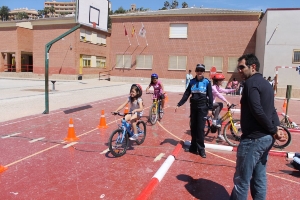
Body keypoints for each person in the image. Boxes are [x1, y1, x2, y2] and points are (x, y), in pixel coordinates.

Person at [230, 53, 286, 200]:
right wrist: (276, 128)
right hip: (266, 139)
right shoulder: (267, 84)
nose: (239, 71)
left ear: (252, 67)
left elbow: (257, 109)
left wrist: (274, 129)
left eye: (242, 67)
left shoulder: (250, 83)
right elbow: (271, 109)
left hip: (253, 140)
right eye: (238, 68)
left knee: (242, 179)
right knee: (259, 177)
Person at [175, 64, 213, 158]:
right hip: (194, 108)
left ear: (203, 72)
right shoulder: (192, 82)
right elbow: (186, 94)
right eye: (198, 70)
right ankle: (193, 147)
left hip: (202, 108)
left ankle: (201, 149)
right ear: (196, 71)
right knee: (193, 128)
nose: (199, 72)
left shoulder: (207, 82)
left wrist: (210, 109)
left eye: (201, 70)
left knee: (200, 129)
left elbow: (210, 96)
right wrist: (179, 104)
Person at [211, 73, 236, 141]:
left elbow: (224, 91)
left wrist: (233, 89)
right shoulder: (213, 88)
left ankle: (219, 135)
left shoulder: (217, 87)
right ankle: (214, 121)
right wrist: (226, 101)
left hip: (213, 105)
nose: (222, 81)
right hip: (208, 105)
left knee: (220, 120)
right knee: (220, 104)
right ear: (216, 81)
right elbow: (218, 95)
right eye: (221, 80)